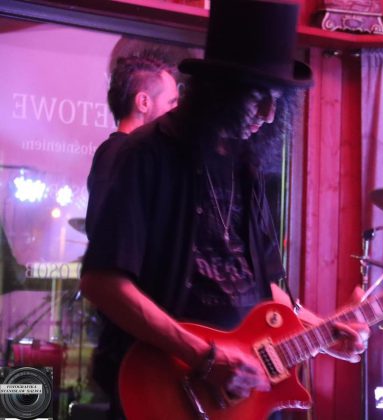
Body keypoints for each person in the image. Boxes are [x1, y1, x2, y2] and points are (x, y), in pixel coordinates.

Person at [79, 1, 368, 418]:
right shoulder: (143, 155)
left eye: (277, 102)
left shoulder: (245, 169)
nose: (268, 116)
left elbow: (265, 289)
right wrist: (203, 357)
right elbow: (102, 282)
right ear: (217, 89)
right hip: (163, 389)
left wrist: (323, 331)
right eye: (256, 98)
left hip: (235, 400)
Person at [86, 51, 179, 235]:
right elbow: (104, 230)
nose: (177, 110)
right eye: (171, 102)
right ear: (143, 102)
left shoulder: (134, 154)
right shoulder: (118, 153)